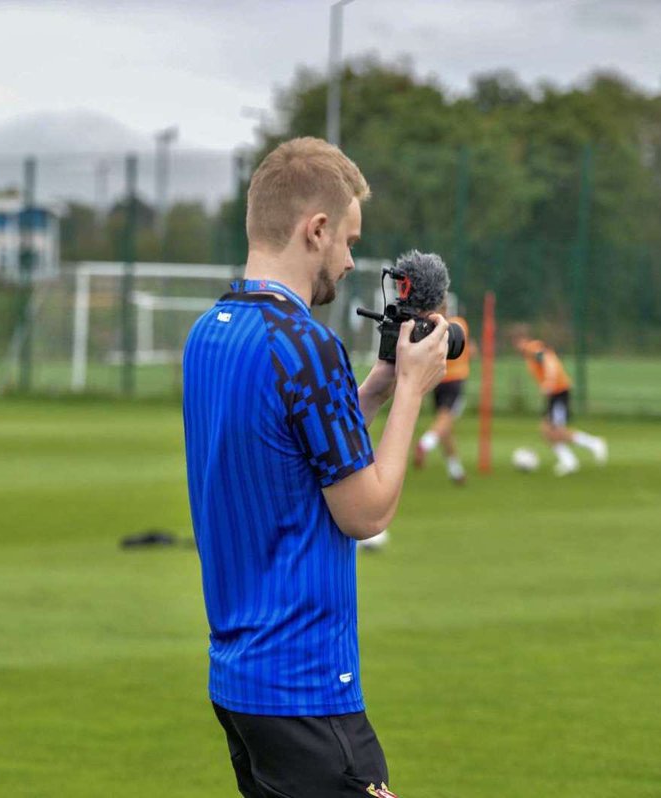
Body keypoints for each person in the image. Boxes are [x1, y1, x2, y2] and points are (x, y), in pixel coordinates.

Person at [183, 137, 447, 798]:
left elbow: (287, 446)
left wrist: (377, 386)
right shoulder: (306, 344)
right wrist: (414, 392)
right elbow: (365, 511)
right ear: (317, 229)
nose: (353, 260)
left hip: (240, 680)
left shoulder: (211, 330)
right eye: (350, 240)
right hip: (305, 685)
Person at [510, 323, 607, 476]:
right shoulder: (529, 353)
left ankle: (593, 444)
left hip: (559, 391)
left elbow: (549, 360)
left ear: (522, 339)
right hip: (554, 393)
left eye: (516, 342)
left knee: (556, 431)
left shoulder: (532, 348)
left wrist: (549, 381)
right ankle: (570, 461)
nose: (516, 346)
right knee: (546, 430)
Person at [413, 303, 471, 485]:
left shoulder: (430, 330)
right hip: (455, 380)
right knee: (445, 420)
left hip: (438, 380)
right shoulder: (458, 324)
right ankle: (426, 443)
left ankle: (456, 471)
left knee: (445, 427)